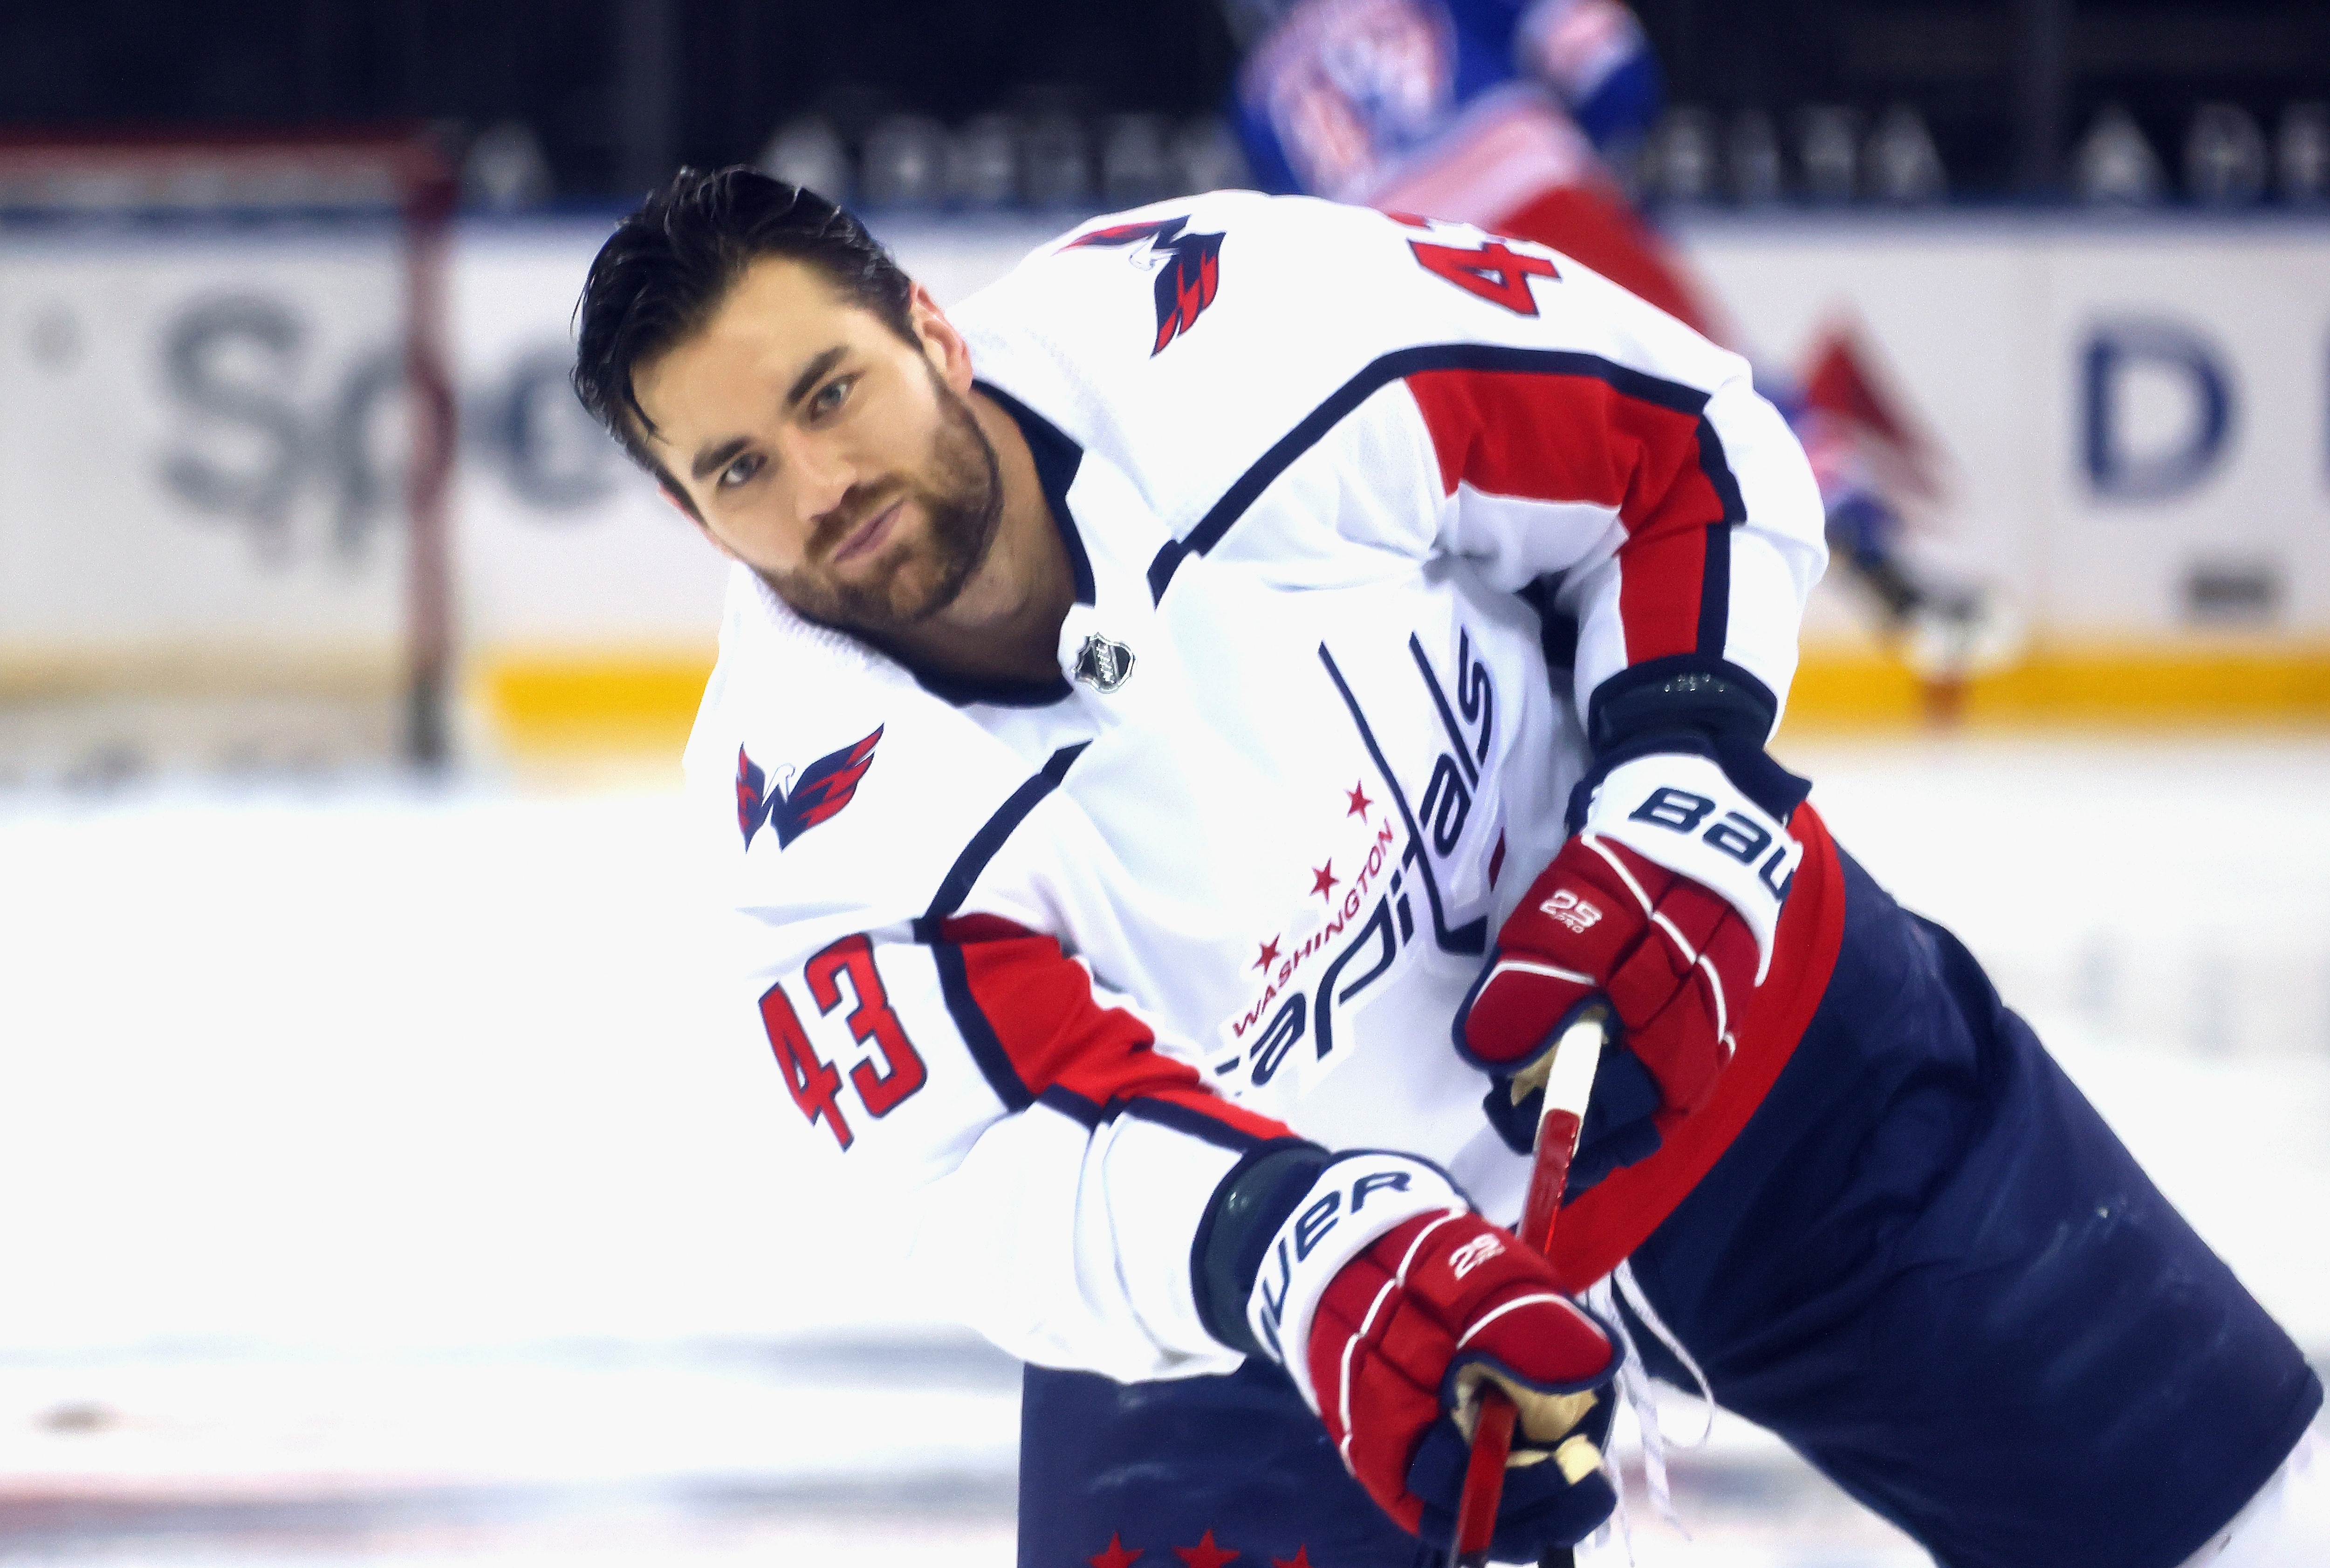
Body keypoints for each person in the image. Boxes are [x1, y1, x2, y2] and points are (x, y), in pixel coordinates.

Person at [570, 170, 2322, 1568]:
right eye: (742, 465)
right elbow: (998, 1174)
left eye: (830, 392)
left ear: (932, 332)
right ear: (693, 517)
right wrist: (1305, 1255)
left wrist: (1679, 786)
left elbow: (1676, 453)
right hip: (1300, 1326)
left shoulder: (1239, 332)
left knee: (2230, 1523)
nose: (822, 481)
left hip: (1736, 1041)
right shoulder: (811, 825)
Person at [1225, 0, 2017, 705]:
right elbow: (1610, 65)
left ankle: (1536, 683)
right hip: (1540, 200)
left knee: (1508, 492)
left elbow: (1306, 243)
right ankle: (1880, 559)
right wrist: (1594, 153)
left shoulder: (1259, 89)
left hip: (1410, 273)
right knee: (1713, 393)